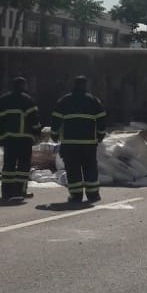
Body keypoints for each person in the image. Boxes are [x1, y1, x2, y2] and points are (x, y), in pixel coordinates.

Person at [51, 76, 107, 205]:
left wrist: (54, 134)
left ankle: (76, 195)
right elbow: (101, 119)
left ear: (74, 85)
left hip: (70, 143)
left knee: (73, 169)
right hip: (88, 143)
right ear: (85, 85)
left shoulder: (65, 100)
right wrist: (100, 135)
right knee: (90, 168)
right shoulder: (93, 100)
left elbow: (56, 118)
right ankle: (93, 195)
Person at [0, 77, 41, 200]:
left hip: (9, 139)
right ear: (23, 86)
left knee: (8, 166)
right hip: (24, 139)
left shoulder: (3, 100)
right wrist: (37, 132)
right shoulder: (27, 100)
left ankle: (6, 192)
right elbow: (34, 119)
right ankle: (19, 191)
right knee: (23, 166)